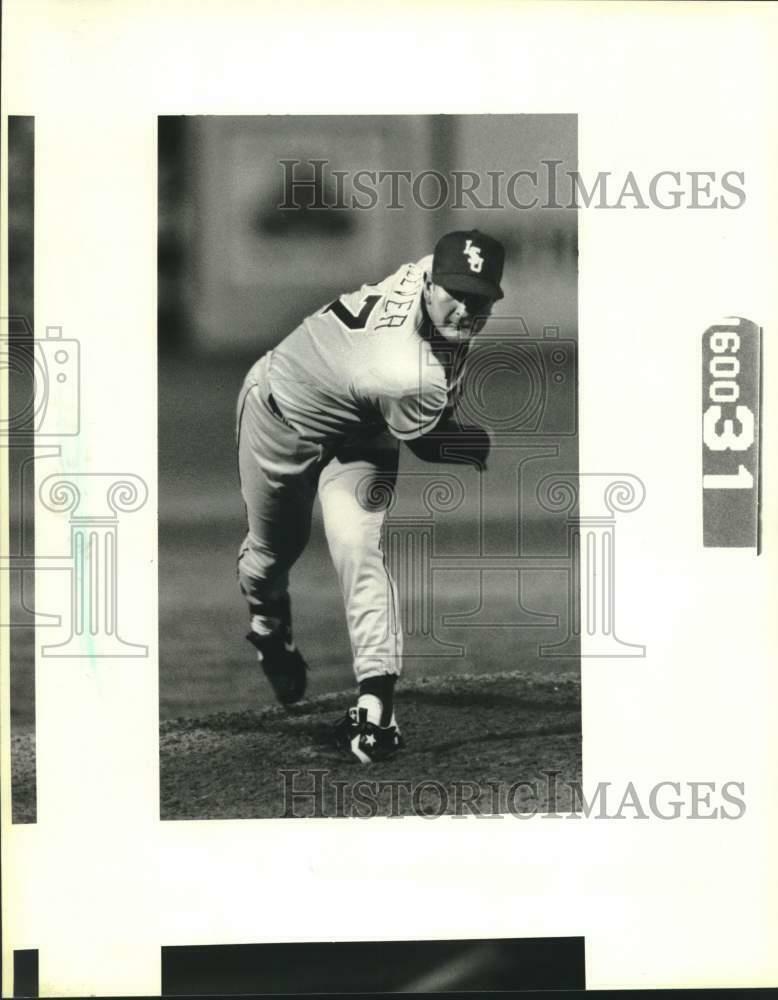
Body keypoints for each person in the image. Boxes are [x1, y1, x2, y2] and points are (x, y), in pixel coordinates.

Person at [236, 229, 505, 762]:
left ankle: (376, 708)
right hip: (280, 415)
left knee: (359, 548)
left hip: (363, 426)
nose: (466, 308)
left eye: (479, 298)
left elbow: (437, 370)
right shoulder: (404, 368)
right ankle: (268, 625)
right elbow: (430, 444)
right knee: (271, 556)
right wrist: (477, 442)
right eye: (456, 293)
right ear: (429, 284)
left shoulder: (436, 284)